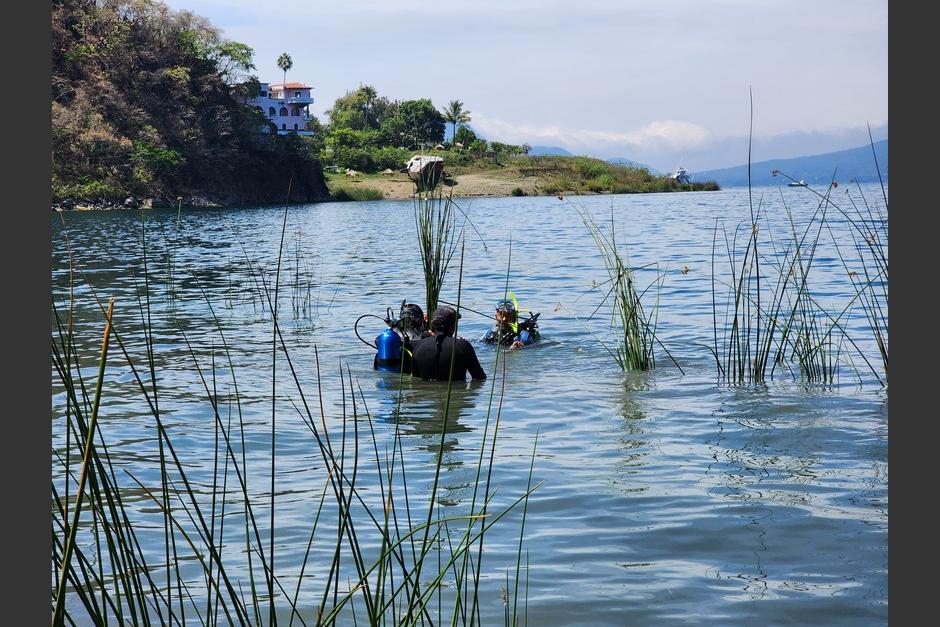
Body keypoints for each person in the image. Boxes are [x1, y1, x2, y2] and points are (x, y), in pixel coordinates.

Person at [411, 306, 487, 381]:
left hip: (425, 392)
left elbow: (416, 378)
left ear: (432, 324)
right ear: (453, 327)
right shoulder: (463, 346)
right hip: (455, 391)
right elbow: (479, 377)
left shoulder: (417, 345)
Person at [373, 302, 430, 374]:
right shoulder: (423, 335)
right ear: (418, 319)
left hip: (387, 371)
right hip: (410, 371)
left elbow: (377, 342)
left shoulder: (390, 335)